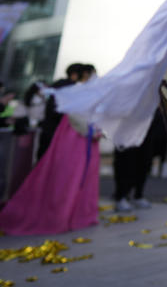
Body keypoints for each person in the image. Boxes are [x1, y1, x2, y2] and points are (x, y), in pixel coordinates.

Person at [0, 64, 100, 235]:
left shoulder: (59, 88)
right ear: (80, 75)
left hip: (58, 138)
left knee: (52, 179)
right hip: (67, 141)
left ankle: (57, 214)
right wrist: (91, 131)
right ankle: (57, 216)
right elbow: (74, 116)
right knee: (62, 182)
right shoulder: (68, 89)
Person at [112, 107, 167, 211]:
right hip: (127, 127)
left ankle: (138, 194)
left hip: (147, 125)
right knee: (126, 163)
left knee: (144, 162)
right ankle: (121, 196)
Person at [36, 63, 85, 159]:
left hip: (49, 127)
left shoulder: (59, 84)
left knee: (44, 156)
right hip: (57, 129)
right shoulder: (68, 87)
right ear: (75, 74)